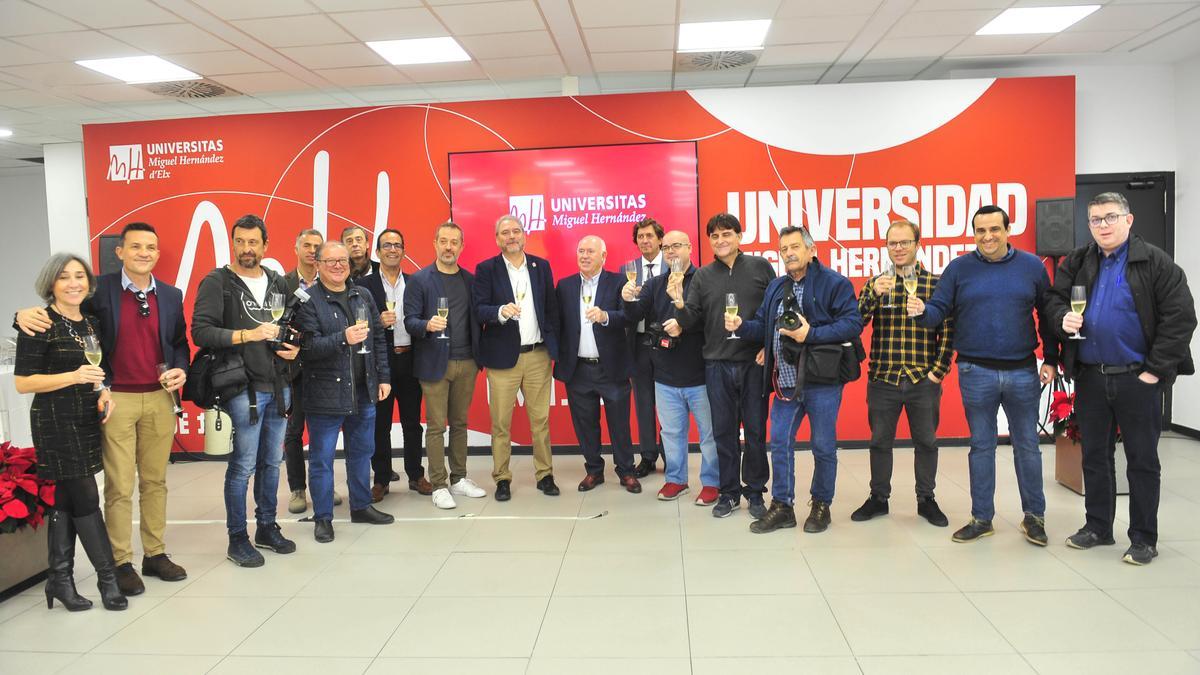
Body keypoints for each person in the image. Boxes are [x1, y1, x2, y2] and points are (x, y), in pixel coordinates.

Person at [15, 223, 192, 595]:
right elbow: (61, 313)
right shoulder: (101, 292)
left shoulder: (172, 295)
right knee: (119, 485)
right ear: (120, 252)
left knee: (156, 481)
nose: (144, 253)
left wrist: (181, 367)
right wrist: (20, 315)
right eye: (136, 247)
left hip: (160, 398)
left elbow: (179, 343)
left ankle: (155, 554)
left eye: (151, 248)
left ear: (158, 254)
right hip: (115, 398)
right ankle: (121, 561)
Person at [1048, 192, 1196, 565]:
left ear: (1128, 220)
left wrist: (1154, 372)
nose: (1102, 226)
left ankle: (1144, 537)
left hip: (1137, 379)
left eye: (1110, 217)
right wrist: (1061, 317)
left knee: (1142, 460)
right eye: (1095, 220)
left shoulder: (1155, 262)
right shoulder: (1078, 261)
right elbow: (1053, 301)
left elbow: (1181, 319)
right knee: (1095, 457)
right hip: (1091, 378)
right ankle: (1098, 527)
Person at [910, 205, 1059, 546]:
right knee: (981, 446)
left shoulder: (1032, 267)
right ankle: (981, 518)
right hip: (975, 371)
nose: (987, 236)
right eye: (980, 231)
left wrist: (1051, 358)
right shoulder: (960, 269)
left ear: (1008, 230)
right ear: (973, 233)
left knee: (1027, 447)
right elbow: (937, 311)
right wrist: (921, 311)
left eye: (994, 229)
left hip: (1023, 370)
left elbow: (1049, 316)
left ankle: (1034, 517)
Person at [15, 254, 126, 611]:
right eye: (64, 277)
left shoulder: (89, 322)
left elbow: (99, 370)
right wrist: (75, 377)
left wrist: (103, 390)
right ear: (51, 284)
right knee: (88, 500)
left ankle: (59, 580)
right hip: (55, 422)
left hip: (84, 419)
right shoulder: (39, 322)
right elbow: (23, 382)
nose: (73, 283)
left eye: (80, 276)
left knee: (64, 500)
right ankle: (108, 581)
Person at [736, 226, 861, 533]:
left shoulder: (835, 283)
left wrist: (811, 334)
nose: (789, 253)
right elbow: (764, 325)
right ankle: (782, 506)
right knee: (779, 443)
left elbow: (852, 323)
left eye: (794, 247)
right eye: (783, 249)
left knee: (822, 446)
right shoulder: (777, 287)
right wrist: (742, 325)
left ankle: (821, 505)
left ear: (811, 250)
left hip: (823, 381)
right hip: (786, 381)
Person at [192, 214, 299, 567]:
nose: (246, 248)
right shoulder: (217, 282)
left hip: (279, 384)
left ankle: (267, 526)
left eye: (253, 242)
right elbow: (201, 332)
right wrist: (245, 336)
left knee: (272, 462)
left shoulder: (278, 282)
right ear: (233, 243)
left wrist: (295, 346)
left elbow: (292, 327)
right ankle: (237, 537)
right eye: (240, 241)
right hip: (242, 387)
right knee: (242, 466)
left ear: (265, 246)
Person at [670, 213, 775, 519]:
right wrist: (678, 304)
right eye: (714, 236)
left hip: (753, 364)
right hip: (716, 364)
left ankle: (755, 492)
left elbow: (776, 311)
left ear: (739, 237)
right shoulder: (703, 276)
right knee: (723, 433)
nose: (720, 241)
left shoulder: (760, 268)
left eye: (726, 234)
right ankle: (728, 493)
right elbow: (690, 320)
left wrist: (768, 346)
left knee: (755, 432)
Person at [851, 220, 953, 528]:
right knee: (879, 441)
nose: (898, 248)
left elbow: (948, 331)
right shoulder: (877, 283)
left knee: (926, 442)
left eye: (904, 242)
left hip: (923, 379)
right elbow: (855, 323)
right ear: (886, 247)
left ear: (917, 244)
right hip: (883, 378)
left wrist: (938, 372)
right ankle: (878, 499)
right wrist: (871, 294)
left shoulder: (935, 284)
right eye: (893, 243)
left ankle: (926, 499)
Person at [294, 241, 395, 542]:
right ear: (318, 264)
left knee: (362, 452)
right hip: (325, 394)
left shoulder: (362, 295)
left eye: (343, 261)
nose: (338, 266)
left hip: (364, 389)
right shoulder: (308, 301)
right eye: (331, 261)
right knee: (323, 459)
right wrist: (343, 338)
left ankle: (361, 506)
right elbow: (307, 348)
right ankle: (323, 517)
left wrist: (383, 377)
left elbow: (377, 339)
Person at [622, 230, 719, 504]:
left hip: (701, 373)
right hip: (664, 374)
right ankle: (676, 480)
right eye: (666, 248)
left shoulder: (706, 279)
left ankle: (712, 483)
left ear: (690, 248)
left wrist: (683, 324)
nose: (671, 252)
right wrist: (627, 298)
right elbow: (635, 316)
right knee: (672, 434)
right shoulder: (655, 284)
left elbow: (713, 320)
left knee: (709, 435)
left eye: (677, 246)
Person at [473, 214, 560, 501]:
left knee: (541, 421)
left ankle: (545, 475)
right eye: (505, 233)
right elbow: (479, 309)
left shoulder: (541, 266)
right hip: (502, 358)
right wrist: (499, 312)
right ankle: (502, 478)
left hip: (537, 355)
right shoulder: (486, 269)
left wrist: (553, 346)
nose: (511, 236)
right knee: (500, 423)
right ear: (497, 239)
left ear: (524, 235)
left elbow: (551, 309)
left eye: (515, 231)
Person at [404, 221, 487, 509]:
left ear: (462, 247)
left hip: (467, 362)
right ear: (435, 243)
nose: (449, 247)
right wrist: (427, 324)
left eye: (454, 242)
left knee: (461, 423)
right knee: (437, 426)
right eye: (444, 241)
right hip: (434, 364)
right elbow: (409, 321)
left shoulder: (471, 280)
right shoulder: (420, 280)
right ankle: (438, 484)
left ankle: (459, 478)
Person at [555, 235, 640, 493]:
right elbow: (558, 323)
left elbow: (630, 317)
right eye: (581, 251)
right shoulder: (565, 285)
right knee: (585, 424)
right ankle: (594, 470)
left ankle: (626, 471)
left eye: (591, 251)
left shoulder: (619, 282)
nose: (585, 256)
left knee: (619, 424)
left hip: (611, 367)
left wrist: (605, 317)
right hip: (578, 368)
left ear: (603, 256)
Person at [360, 229, 431, 502]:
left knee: (413, 423)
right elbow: (354, 324)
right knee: (380, 425)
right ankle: (381, 479)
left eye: (398, 245)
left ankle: (415, 475)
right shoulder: (364, 285)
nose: (393, 249)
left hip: (411, 359)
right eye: (387, 245)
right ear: (377, 252)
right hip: (380, 364)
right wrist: (377, 322)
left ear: (404, 250)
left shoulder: (416, 282)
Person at [282, 229, 342, 513]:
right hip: (293, 370)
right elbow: (276, 322)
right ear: (296, 248)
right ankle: (297, 489)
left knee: (324, 433)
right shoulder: (283, 284)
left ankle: (325, 487)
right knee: (294, 431)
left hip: (325, 367)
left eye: (317, 247)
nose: (312, 251)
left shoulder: (332, 281)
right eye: (306, 245)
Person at [626, 217, 665, 477]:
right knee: (643, 402)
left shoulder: (674, 267)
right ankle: (648, 456)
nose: (645, 240)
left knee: (670, 403)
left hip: (668, 345)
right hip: (639, 344)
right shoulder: (627, 270)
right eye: (641, 237)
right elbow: (624, 311)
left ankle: (671, 456)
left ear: (660, 239)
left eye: (650, 235)